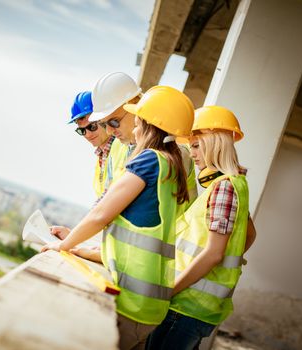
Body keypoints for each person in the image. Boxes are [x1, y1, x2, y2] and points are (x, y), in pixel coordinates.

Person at [42, 86, 195, 350]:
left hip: (132, 302)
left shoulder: (149, 161)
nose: (133, 128)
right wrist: (81, 248)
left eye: (137, 121)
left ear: (149, 124)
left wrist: (62, 246)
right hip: (151, 304)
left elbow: (101, 214)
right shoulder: (172, 165)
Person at [146, 106, 256, 350]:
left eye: (196, 145)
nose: (192, 153)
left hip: (186, 305)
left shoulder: (224, 188)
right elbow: (250, 235)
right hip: (192, 306)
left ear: (215, 143)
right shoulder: (235, 184)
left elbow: (214, 253)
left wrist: (168, 290)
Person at [89, 72, 197, 203]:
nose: (109, 131)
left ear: (135, 105)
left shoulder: (175, 152)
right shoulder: (117, 146)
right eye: (103, 124)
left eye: (114, 122)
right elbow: (106, 198)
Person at [50, 91, 115, 262]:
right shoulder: (103, 155)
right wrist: (75, 236)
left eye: (92, 127)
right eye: (81, 130)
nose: (87, 134)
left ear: (104, 118)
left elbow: (107, 205)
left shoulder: (120, 150)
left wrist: (72, 240)